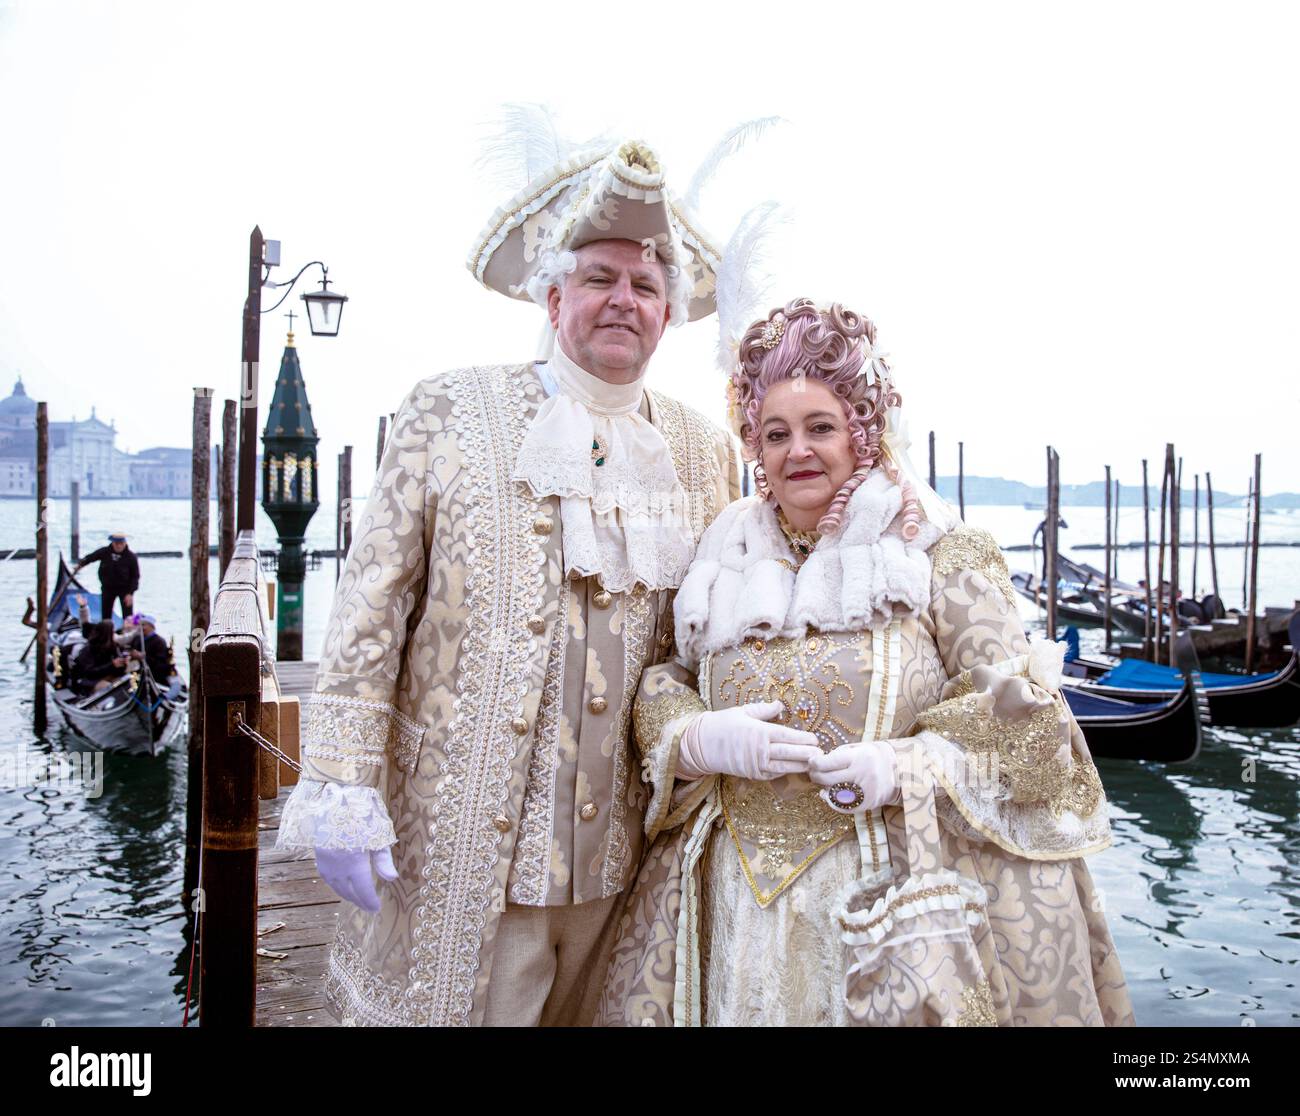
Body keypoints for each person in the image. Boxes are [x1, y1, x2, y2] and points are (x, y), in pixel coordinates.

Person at [274, 132, 747, 1026]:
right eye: (601, 278)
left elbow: (717, 625)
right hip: (460, 847)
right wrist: (340, 778)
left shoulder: (703, 449)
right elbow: (371, 605)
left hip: (626, 861)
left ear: (668, 313)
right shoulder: (447, 408)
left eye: (646, 286)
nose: (624, 300)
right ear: (554, 292)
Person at [597, 299, 1134, 1026]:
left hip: (890, 903)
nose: (798, 452)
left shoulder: (941, 550)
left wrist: (910, 764)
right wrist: (694, 737)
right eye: (775, 433)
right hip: (729, 905)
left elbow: (1032, 725)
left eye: (820, 427)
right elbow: (668, 678)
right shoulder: (722, 558)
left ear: (863, 433)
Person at [75, 531, 139, 623]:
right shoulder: (105, 552)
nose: (119, 546)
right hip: (107, 588)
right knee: (106, 614)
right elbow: (91, 557)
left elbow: (135, 576)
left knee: (128, 616)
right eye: (116, 544)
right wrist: (80, 565)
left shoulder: (131, 557)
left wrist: (130, 593)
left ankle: (128, 632)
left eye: (121, 544)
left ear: (125, 543)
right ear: (112, 543)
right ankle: (105, 632)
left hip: (125, 590)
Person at [70, 620, 127, 697]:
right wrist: (111, 665)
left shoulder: (114, 648)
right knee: (110, 689)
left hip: (109, 677)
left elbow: (118, 671)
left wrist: (123, 664)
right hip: (91, 681)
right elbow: (89, 672)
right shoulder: (89, 650)